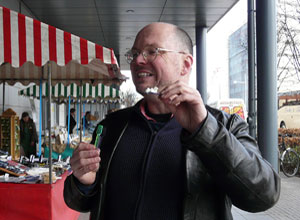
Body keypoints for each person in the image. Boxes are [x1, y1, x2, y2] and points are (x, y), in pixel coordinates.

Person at [64, 22, 280, 220]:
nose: (138, 60)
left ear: (185, 64)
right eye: (135, 53)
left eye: (152, 51)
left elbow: (263, 195)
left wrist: (204, 130)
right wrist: (84, 182)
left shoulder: (226, 126)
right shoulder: (112, 126)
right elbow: (81, 202)